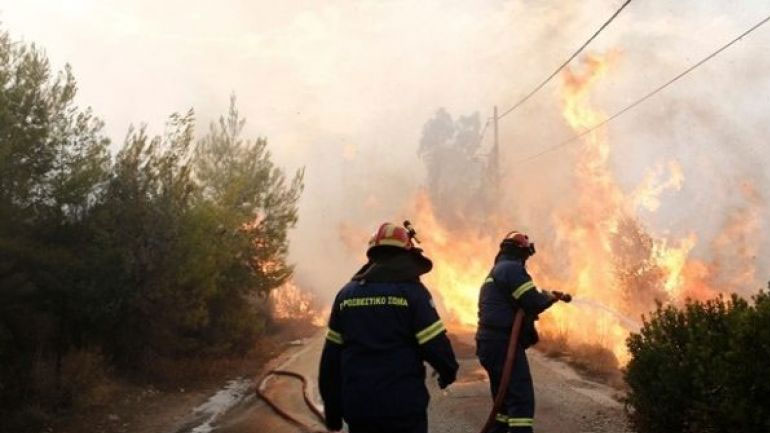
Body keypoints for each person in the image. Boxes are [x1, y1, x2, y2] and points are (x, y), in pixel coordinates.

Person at [318, 222, 459, 433]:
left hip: (359, 410)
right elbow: (435, 345)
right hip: (402, 409)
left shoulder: (346, 295)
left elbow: (330, 362)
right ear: (404, 254)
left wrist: (333, 414)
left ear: (372, 256)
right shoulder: (413, 293)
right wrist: (448, 371)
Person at [476, 231, 567, 433]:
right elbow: (531, 301)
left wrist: (545, 296)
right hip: (503, 343)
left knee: (503, 402)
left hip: (488, 343)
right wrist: (550, 298)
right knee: (521, 400)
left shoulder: (497, 270)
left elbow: (523, 298)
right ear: (522, 253)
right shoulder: (512, 269)